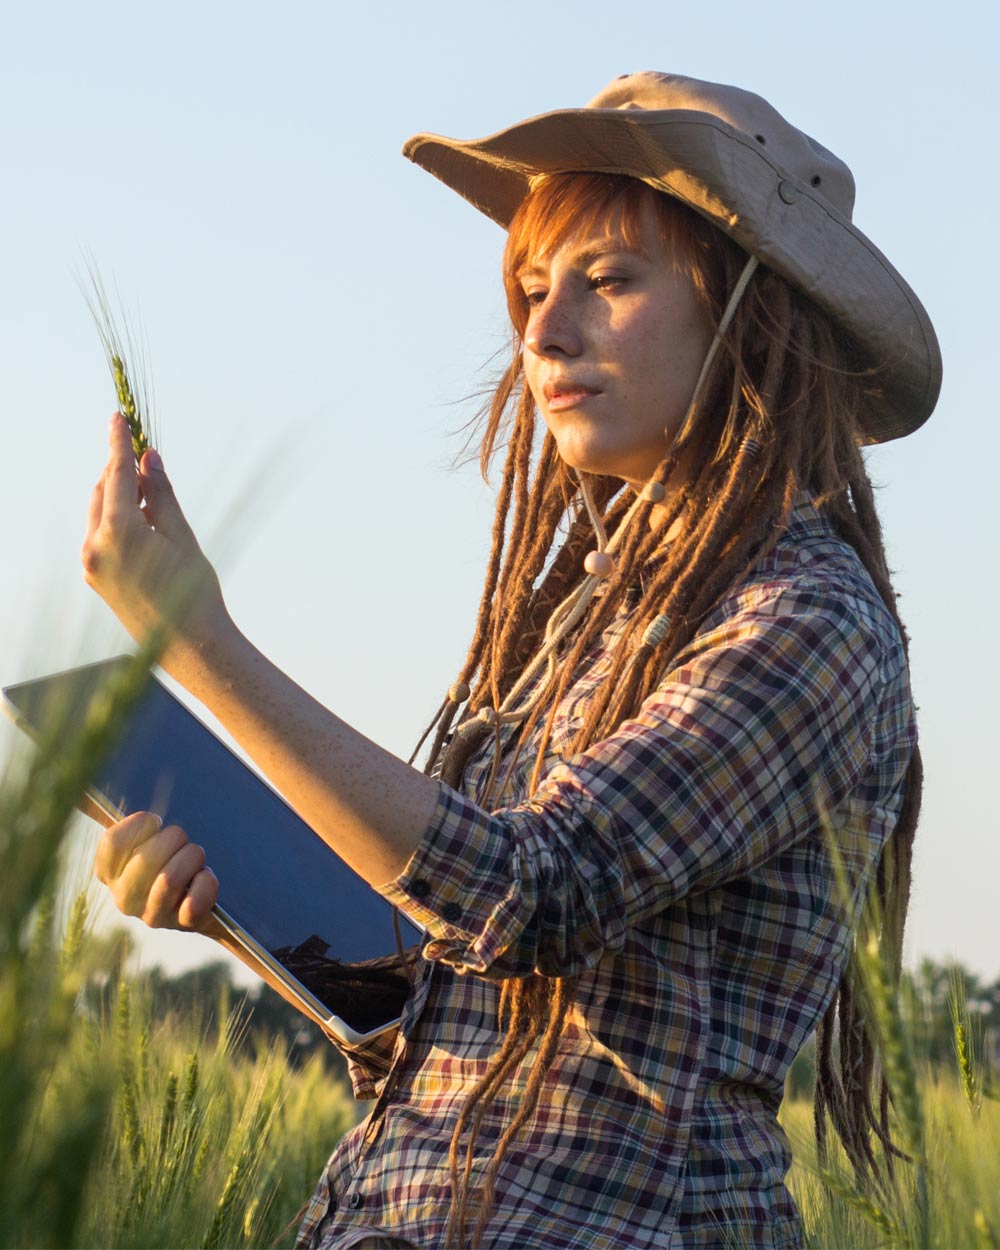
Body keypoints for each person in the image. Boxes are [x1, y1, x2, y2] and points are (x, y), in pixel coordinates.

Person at [83, 72, 940, 1250]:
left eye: (608, 280)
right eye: (532, 290)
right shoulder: (570, 624)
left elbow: (535, 892)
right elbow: (454, 1007)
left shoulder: (809, 620)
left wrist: (204, 644)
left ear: (751, 310)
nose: (543, 331)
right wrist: (247, 913)